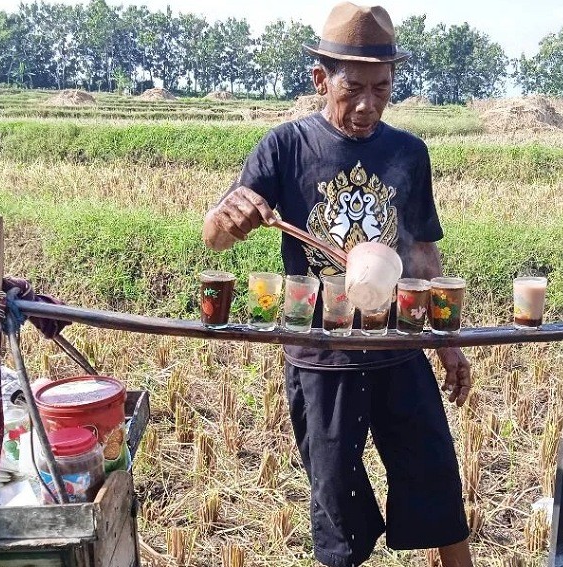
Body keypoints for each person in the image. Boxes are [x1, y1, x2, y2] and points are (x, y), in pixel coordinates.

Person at [201, 3, 474, 566]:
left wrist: (448, 343)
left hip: (398, 346)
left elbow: (423, 253)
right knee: (338, 513)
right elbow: (214, 238)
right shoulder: (286, 147)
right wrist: (228, 218)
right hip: (321, 356)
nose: (368, 104)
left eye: (382, 88)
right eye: (354, 88)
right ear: (321, 79)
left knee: (437, 485)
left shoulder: (408, 153)